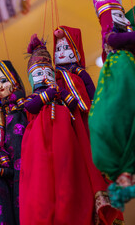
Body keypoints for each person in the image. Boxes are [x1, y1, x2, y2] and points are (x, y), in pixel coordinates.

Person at [19, 34, 123, 225]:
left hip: (66, 131)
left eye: (47, 72)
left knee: (69, 176)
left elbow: (79, 102)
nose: (44, 76)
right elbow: (29, 107)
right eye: (37, 73)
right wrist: (51, 93)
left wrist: (63, 94)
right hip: (39, 141)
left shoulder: (71, 80)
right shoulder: (34, 97)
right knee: (41, 183)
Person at [88, 0, 135, 208]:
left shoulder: (107, 158)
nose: (122, 20)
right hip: (122, 70)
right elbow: (114, 40)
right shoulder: (114, 41)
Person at [0, 60, 28, 225]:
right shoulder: (0, 114)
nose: (0, 86)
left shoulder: (24, 107)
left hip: (24, 167)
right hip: (7, 170)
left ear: (15, 81)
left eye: (4, 80)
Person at [53, 25, 95, 135]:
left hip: (80, 110)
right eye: (58, 49)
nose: (61, 53)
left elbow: (89, 86)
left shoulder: (78, 72)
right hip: (62, 112)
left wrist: (94, 104)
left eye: (66, 48)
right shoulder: (55, 75)